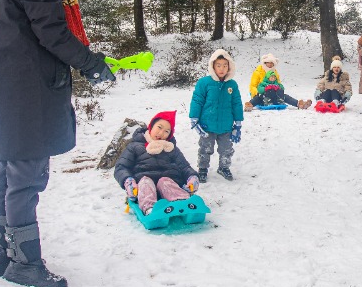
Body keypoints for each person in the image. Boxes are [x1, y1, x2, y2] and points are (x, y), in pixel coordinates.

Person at [0, 0, 116, 287]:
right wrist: (92, 64)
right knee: (26, 173)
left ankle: (3, 252)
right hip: (28, 90)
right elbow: (52, 34)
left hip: (8, 86)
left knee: (9, 168)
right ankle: (25, 262)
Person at [113, 111, 199, 215]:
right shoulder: (135, 147)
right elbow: (121, 167)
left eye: (166, 131)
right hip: (143, 189)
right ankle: (150, 210)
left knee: (165, 181)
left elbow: (185, 167)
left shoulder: (171, 149)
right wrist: (128, 181)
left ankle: (183, 204)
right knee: (146, 182)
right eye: (159, 127)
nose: (161, 133)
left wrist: (192, 177)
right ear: (151, 126)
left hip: (170, 188)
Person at [189, 49, 244, 182]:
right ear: (213, 66)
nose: (222, 68)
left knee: (226, 149)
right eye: (218, 65)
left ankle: (224, 167)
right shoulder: (204, 83)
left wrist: (237, 124)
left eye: (225, 65)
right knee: (205, 148)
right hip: (207, 125)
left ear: (229, 66)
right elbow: (197, 100)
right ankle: (202, 169)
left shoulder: (232, 84)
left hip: (226, 126)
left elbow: (236, 103)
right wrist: (194, 119)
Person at [244, 54, 310, 111]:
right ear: (265, 63)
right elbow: (253, 86)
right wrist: (259, 92)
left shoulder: (274, 72)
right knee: (258, 98)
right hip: (261, 94)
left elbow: (279, 84)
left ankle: (299, 104)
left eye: (271, 63)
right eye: (268, 62)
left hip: (274, 95)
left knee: (285, 96)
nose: (270, 64)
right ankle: (249, 105)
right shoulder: (258, 72)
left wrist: (278, 88)